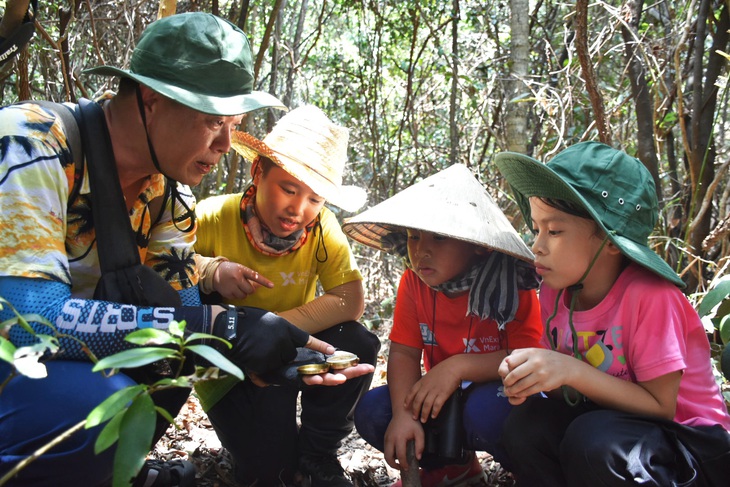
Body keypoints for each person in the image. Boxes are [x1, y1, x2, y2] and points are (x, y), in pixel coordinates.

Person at [0, 13, 372, 487]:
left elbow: (183, 327)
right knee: (91, 404)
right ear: (152, 101)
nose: (223, 145)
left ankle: (113, 469)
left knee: (169, 361)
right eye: (213, 123)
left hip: (64, 365)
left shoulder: (170, 198)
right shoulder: (33, 142)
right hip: (20, 361)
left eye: (233, 126)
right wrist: (216, 326)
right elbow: (24, 320)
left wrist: (256, 356)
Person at [495, 141, 730, 486]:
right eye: (537, 228)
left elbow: (661, 406)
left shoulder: (650, 296)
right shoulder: (554, 292)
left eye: (555, 231)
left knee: (594, 441)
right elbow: (571, 390)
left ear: (608, 241)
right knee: (526, 426)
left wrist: (570, 370)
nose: (538, 246)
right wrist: (536, 376)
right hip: (613, 426)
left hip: (691, 444)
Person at [193, 105, 381, 487]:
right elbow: (162, 267)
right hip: (230, 364)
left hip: (290, 352)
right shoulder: (212, 216)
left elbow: (349, 299)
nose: (299, 209)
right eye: (288, 189)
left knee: (356, 342)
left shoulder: (321, 229)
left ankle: (318, 452)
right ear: (257, 172)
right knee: (270, 475)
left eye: (315, 199)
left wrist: (274, 330)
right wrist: (211, 272)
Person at [341, 164, 543, 487]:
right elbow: (405, 354)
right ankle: (451, 469)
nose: (421, 250)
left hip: (499, 393)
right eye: (414, 236)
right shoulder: (414, 282)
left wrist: (458, 367)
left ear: (477, 243)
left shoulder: (510, 284)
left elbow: (528, 355)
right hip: (442, 397)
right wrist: (403, 415)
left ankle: (526, 470)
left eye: (439, 237)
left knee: (486, 413)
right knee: (375, 411)